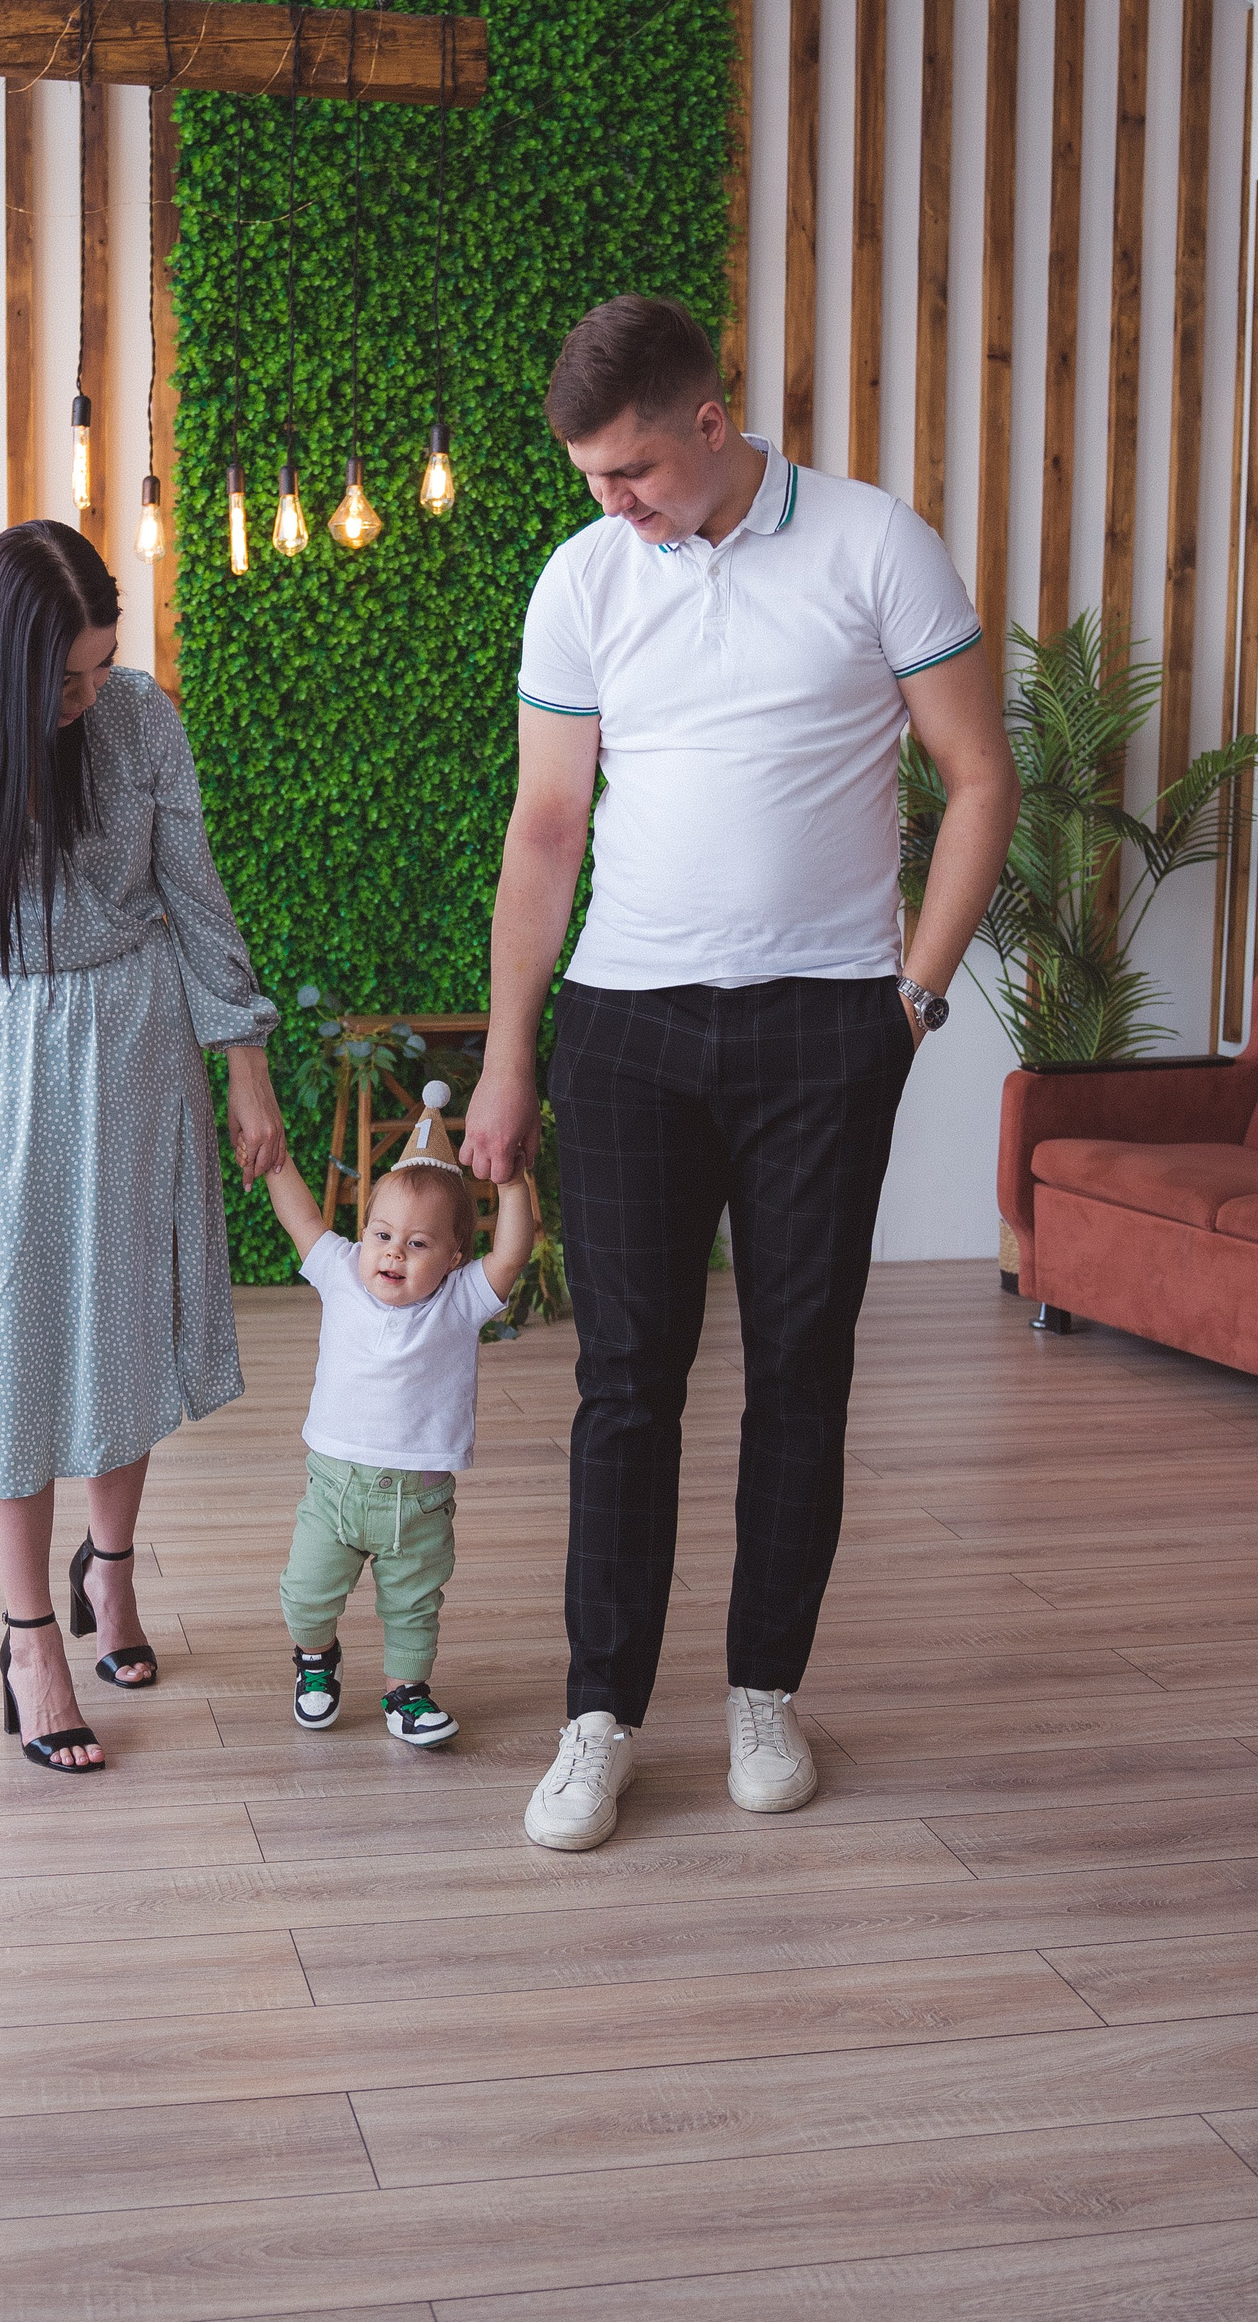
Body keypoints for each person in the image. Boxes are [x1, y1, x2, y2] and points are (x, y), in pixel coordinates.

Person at [460, 296, 1018, 1852]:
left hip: (823, 1032)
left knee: (802, 1375)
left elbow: (981, 778)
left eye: (633, 471)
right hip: (626, 1031)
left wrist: (910, 1004)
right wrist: (509, 1055)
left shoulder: (875, 545)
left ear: (712, 424)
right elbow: (545, 830)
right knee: (624, 1387)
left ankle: (765, 1690)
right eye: (590, 477)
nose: (611, 503)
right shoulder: (583, 577)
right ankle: (600, 1717)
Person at [0, 519, 285, 1774]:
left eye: (100, 666)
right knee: (12, 1347)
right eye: (64, 679)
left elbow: (195, 894)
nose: (88, 695)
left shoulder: (140, 718)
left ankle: (112, 1571)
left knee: (123, 1319)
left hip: (140, 1044)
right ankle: (29, 1638)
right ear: (3, 663)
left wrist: (245, 1062)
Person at [263, 1082, 535, 1748]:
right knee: (305, 1592)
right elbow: (302, 1219)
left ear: (453, 1258)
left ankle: (406, 1693)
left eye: (417, 1244)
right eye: (381, 1235)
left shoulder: (461, 1300)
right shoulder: (340, 1273)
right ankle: (315, 1658)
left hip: (419, 1504)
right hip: (334, 1488)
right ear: (362, 1235)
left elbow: (511, 1253)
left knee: (414, 1608)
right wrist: (275, 1159)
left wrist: (510, 1183)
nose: (392, 1253)